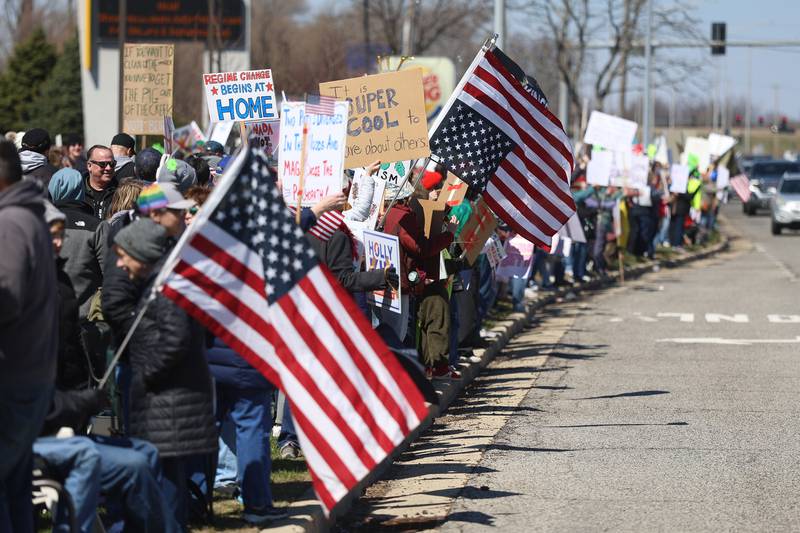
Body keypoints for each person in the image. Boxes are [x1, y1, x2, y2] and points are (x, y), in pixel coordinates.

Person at [36, 202, 180, 533]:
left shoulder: (57, 279)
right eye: (50, 235)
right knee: (127, 462)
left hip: (62, 406)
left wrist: (82, 396)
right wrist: (78, 403)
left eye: (60, 235)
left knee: (145, 453)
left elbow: (67, 351)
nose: (58, 242)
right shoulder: (30, 293)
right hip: (37, 428)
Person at [114, 218, 217, 528]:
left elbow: (177, 339)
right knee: (166, 483)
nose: (119, 264)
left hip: (169, 401)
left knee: (168, 490)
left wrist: (147, 374)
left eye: (123, 255)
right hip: (167, 402)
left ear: (142, 254)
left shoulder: (167, 287)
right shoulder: (160, 282)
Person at [0, 140, 58, 531]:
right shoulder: (29, 217)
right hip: (30, 373)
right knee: (16, 485)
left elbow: (6, 296)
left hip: (12, 377)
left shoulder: (8, 224)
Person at [49, 168, 104, 315]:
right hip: (87, 317)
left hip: (48, 317)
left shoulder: (40, 222)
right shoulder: (97, 226)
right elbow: (108, 271)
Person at [84, 145, 118, 219]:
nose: (108, 168)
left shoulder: (120, 191)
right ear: (89, 166)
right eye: (102, 164)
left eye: (112, 164)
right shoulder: (78, 192)